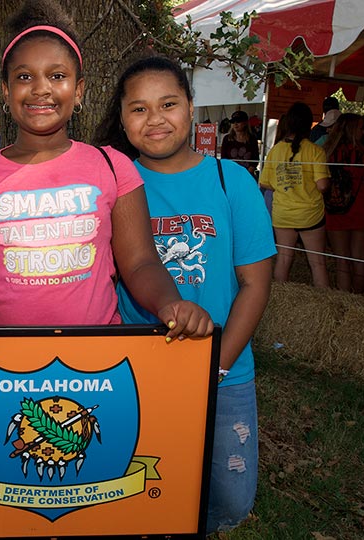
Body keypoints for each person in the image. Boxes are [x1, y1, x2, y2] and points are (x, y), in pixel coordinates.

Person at [0, 0, 213, 345]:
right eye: (24, 77)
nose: (40, 89)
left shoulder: (113, 167)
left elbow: (140, 263)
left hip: (95, 355)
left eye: (57, 75)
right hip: (0, 356)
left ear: (78, 91)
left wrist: (170, 304)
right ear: (6, 91)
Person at [94, 54, 275, 535]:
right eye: (139, 108)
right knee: (142, 484)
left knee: (230, 501)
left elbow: (256, 283)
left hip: (225, 367)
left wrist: (216, 366)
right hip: (136, 366)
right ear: (123, 120)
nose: (155, 119)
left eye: (168, 103)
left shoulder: (230, 182)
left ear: (191, 108)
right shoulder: (110, 185)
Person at [260, 102, 331, 288]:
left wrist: (285, 185)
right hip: (310, 215)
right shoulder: (316, 151)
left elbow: (264, 182)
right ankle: (323, 304)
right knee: (317, 263)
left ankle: (280, 300)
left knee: (283, 258)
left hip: (283, 214)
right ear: (309, 124)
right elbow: (323, 185)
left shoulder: (276, 150)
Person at [322, 113, 364, 293]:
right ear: (352, 129)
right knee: (359, 258)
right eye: (360, 128)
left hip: (335, 210)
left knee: (342, 259)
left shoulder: (328, 152)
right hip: (361, 209)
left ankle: (345, 298)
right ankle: (359, 299)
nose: (363, 131)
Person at [220, 110, 259, 178]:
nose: (235, 124)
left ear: (245, 123)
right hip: (230, 175)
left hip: (247, 175)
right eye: (233, 122)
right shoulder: (227, 139)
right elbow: (224, 159)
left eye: (238, 121)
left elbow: (255, 160)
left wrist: (246, 175)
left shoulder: (252, 139)